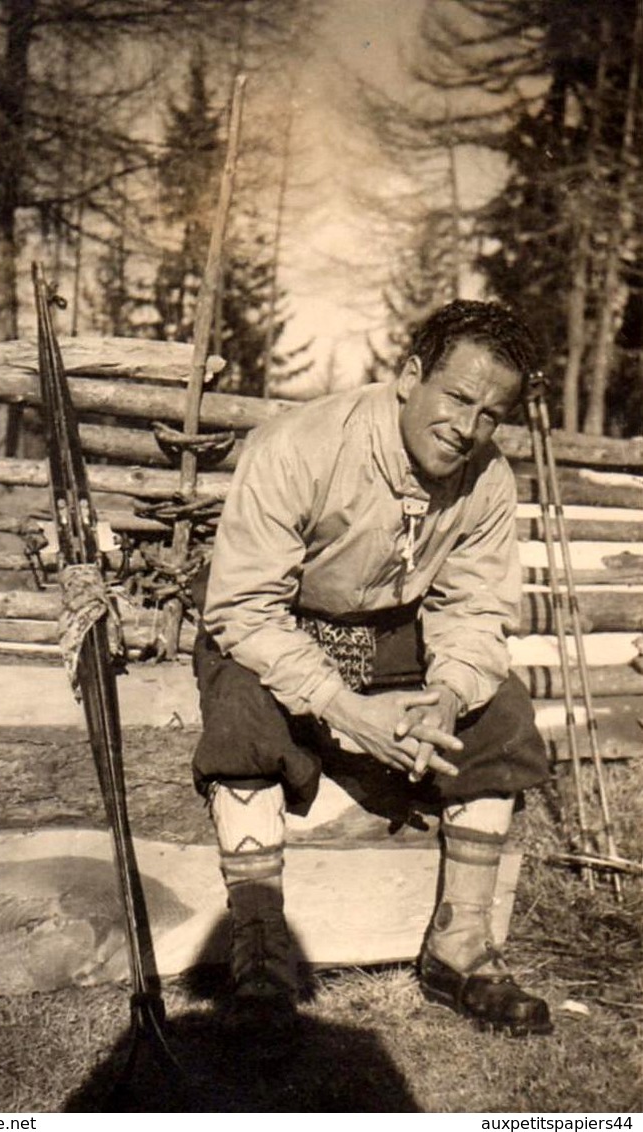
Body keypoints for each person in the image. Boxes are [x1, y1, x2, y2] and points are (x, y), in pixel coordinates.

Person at [191, 300, 552, 1037]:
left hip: (393, 637)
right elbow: (244, 610)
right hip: (277, 621)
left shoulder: (487, 479)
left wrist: (447, 696)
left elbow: (477, 611)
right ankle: (259, 946)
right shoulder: (299, 446)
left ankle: (461, 946)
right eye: (455, 397)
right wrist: (344, 708)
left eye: (490, 414)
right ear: (410, 377)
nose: (467, 426)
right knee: (241, 708)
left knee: (504, 712)